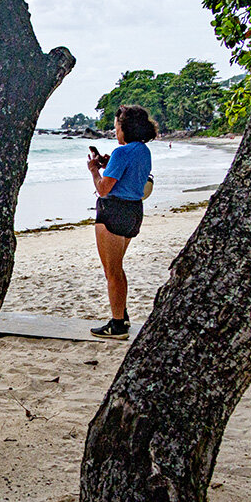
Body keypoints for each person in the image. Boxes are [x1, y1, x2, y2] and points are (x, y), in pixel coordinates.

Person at [87, 104, 157, 339]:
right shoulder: (143, 151)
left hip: (113, 211)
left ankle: (117, 325)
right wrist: (109, 165)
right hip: (133, 211)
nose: (115, 130)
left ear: (125, 127)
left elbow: (103, 189)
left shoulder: (121, 152)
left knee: (112, 271)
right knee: (117, 268)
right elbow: (129, 175)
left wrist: (94, 170)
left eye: (116, 126)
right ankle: (122, 315)